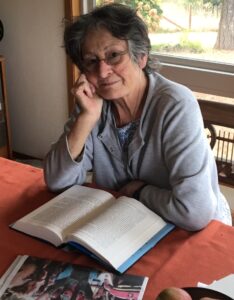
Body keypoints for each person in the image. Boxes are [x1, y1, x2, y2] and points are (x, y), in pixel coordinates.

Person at [43, 3, 231, 231]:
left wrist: (140, 191)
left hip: (192, 232)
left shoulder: (175, 105)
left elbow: (194, 212)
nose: (102, 72)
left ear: (141, 57)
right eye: (91, 61)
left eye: (113, 56)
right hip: (127, 227)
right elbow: (56, 182)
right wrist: (86, 119)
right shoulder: (93, 103)